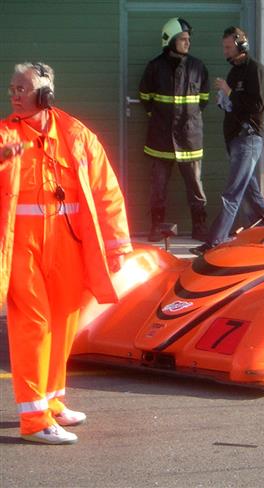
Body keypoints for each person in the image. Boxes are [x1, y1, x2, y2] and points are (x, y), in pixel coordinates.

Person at [0, 62, 133, 444]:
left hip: (67, 242)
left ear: (46, 95)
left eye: (22, 88)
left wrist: (117, 244)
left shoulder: (77, 135)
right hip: (21, 244)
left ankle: (53, 402)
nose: (14, 94)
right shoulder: (6, 135)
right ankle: (34, 419)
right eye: (12, 88)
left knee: (64, 321)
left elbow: (107, 191)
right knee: (33, 324)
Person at [191, 26, 264, 256]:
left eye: (228, 47)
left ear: (240, 45)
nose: (224, 51)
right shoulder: (234, 73)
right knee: (253, 196)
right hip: (236, 141)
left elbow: (257, 105)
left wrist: (229, 93)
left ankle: (214, 242)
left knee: (232, 193)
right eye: (224, 47)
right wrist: (224, 100)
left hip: (248, 139)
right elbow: (236, 105)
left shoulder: (255, 70)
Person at [139, 17, 210, 242]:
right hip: (160, 139)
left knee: (196, 188)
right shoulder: (154, 67)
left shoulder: (198, 67)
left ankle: (199, 227)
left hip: (190, 139)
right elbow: (144, 97)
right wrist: (158, 117)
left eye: (189, 39)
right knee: (158, 189)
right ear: (170, 40)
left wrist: (188, 120)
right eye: (183, 39)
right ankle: (156, 227)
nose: (187, 43)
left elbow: (204, 99)